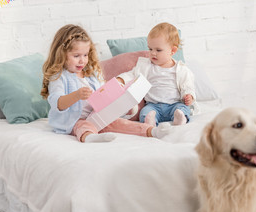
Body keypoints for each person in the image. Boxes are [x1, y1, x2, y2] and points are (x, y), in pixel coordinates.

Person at [41, 24, 169, 143]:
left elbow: (102, 96)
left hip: (97, 116)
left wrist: (120, 99)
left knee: (119, 123)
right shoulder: (59, 77)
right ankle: (89, 137)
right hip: (74, 120)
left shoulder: (90, 75)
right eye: (76, 56)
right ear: (61, 54)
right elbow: (57, 103)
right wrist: (76, 95)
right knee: (83, 125)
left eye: (85, 55)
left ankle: (151, 131)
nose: (82, 60)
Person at [117, 22, 196, 126]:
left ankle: (179, 118)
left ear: (172, 50)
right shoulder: (146, 66)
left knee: (183, 109)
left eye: (158, 50)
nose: (153, 53)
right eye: (150, 49)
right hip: (153, 105)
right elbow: (132, 75)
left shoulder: (181, 70)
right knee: (145, 112)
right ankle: (151, 120)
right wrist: (121, 79)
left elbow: (188, 85)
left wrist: (188, 96)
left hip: (174, 104)